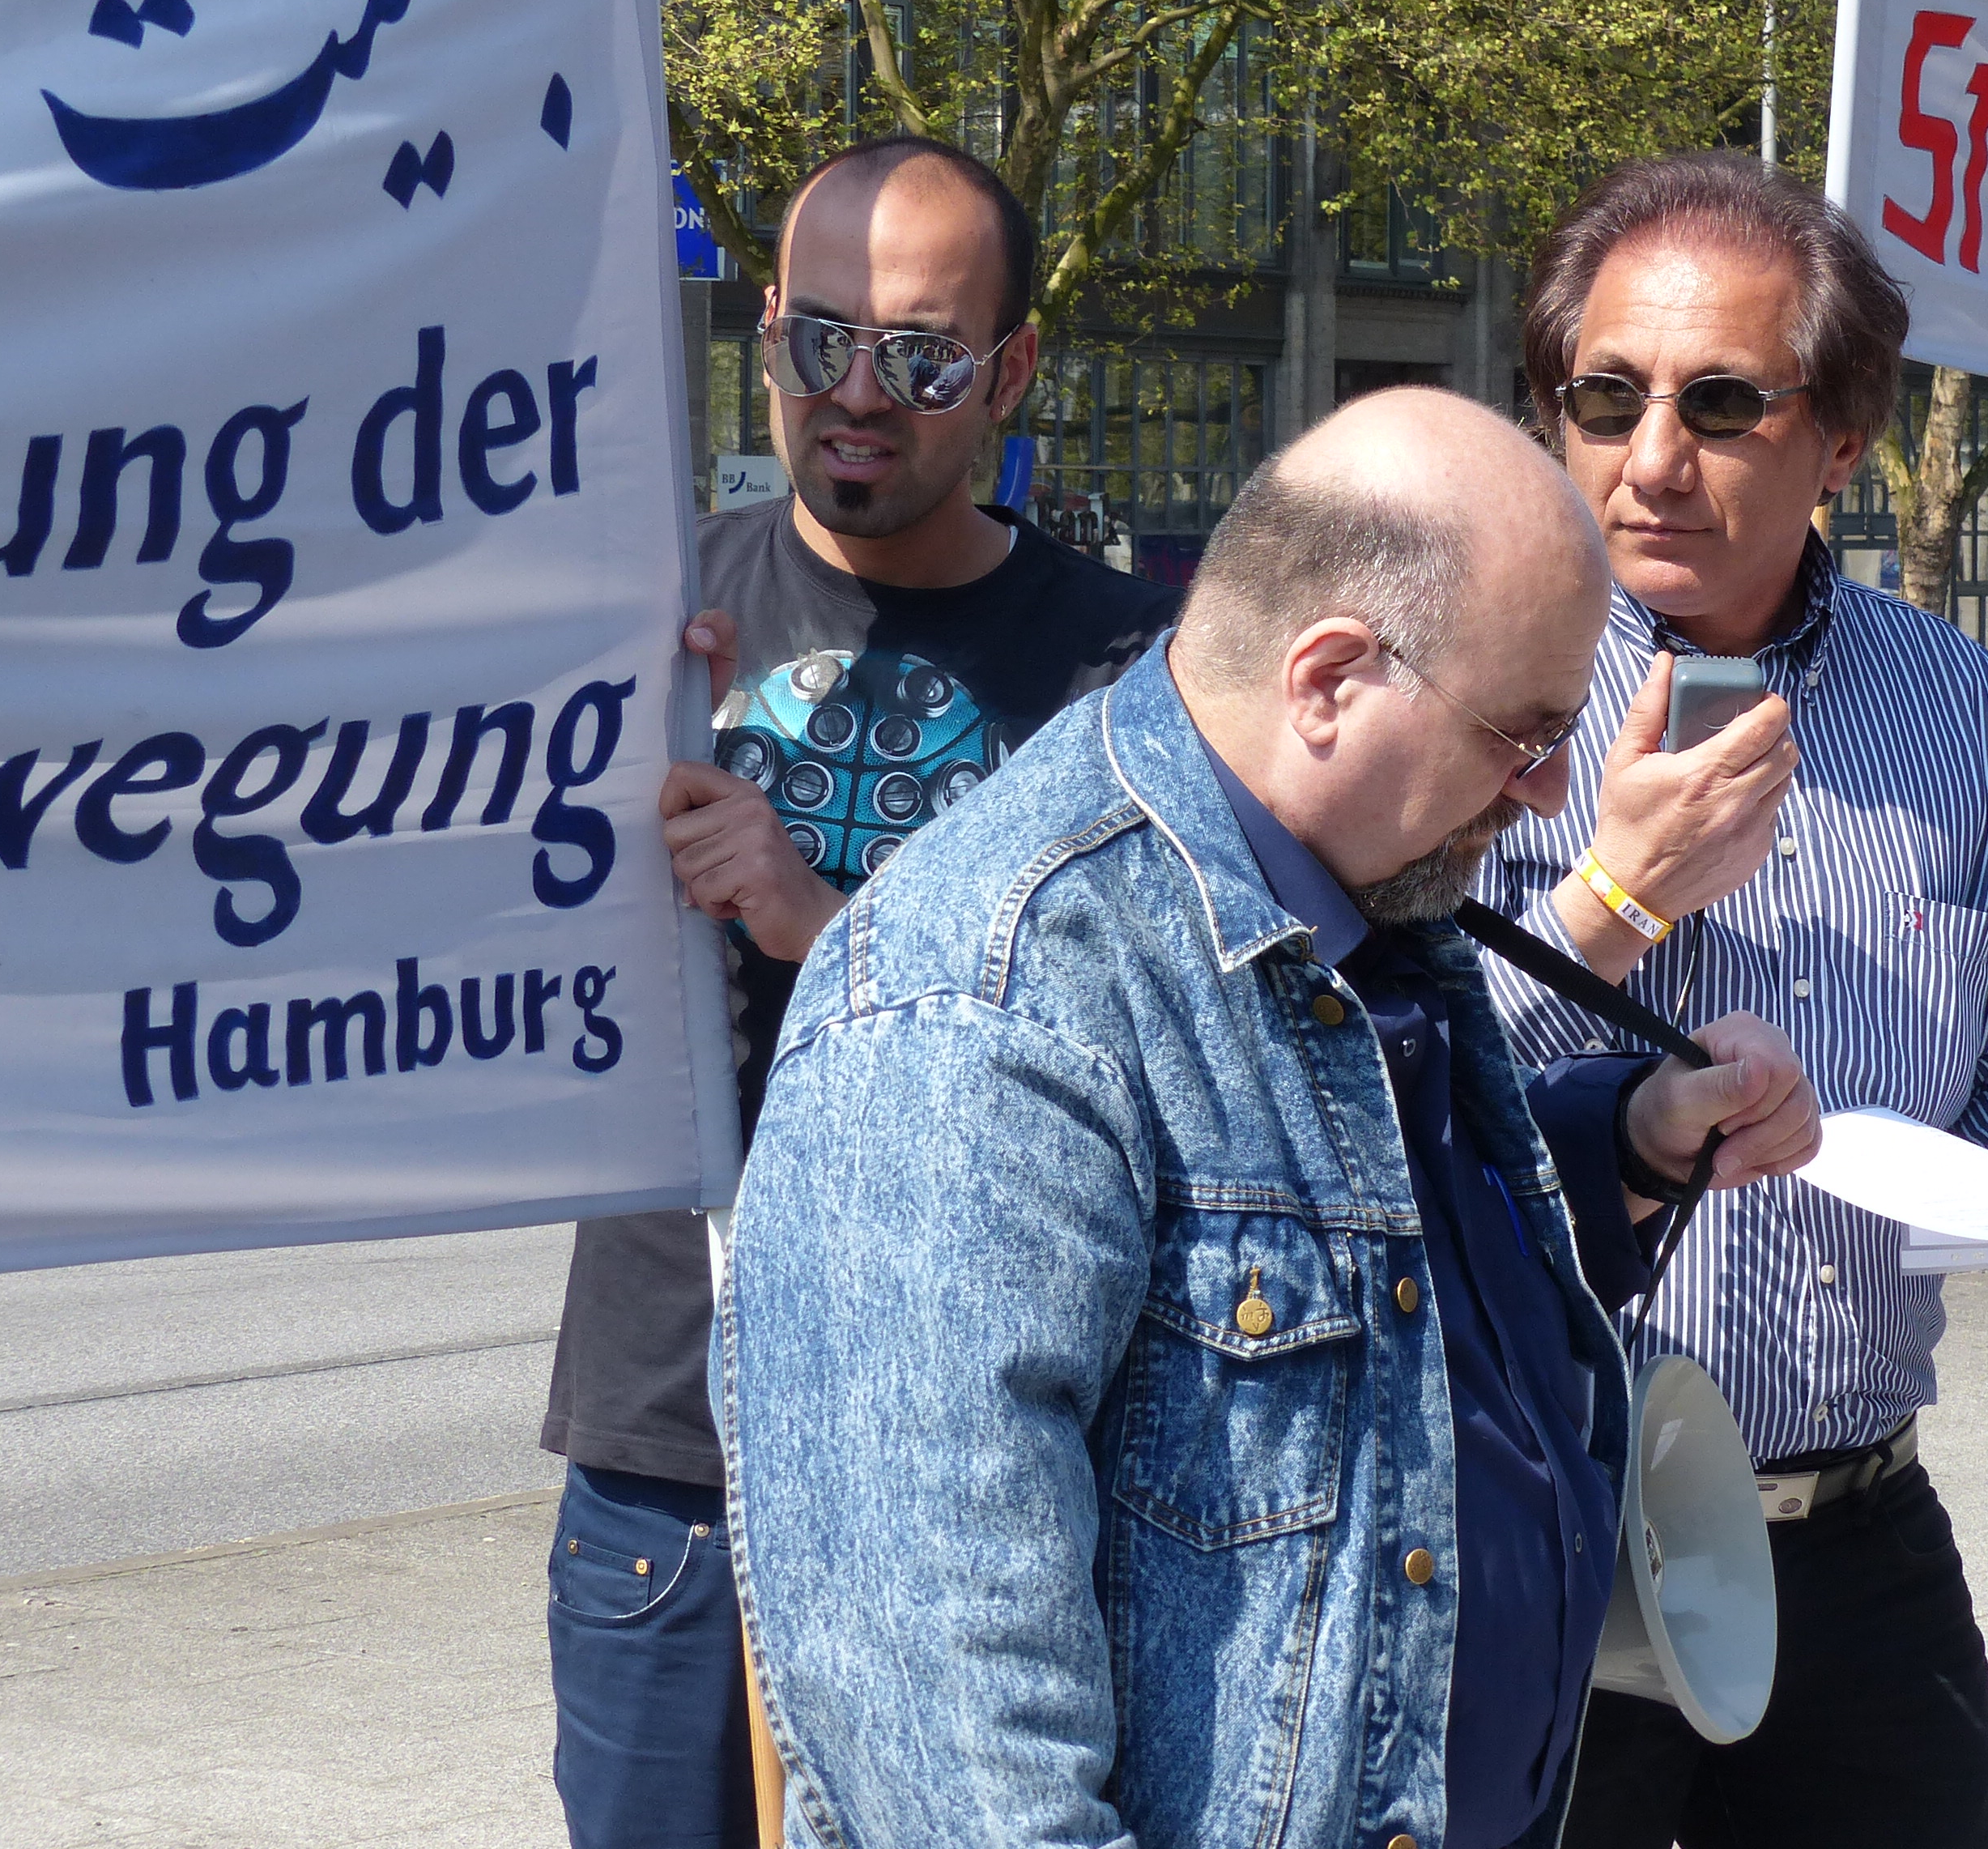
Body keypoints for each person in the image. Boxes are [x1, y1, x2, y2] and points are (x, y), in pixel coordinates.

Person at [722, 388, 1820, 1849]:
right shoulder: (981, 1001)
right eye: (1524, 733)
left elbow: (1356, 1236)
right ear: (1330, 680)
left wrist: (1620, 1137)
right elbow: (948, 1742)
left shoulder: (1359, 879)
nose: (1552, 789)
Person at [1475, 152, 1988, 1849]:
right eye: (1604, 400)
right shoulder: (1452, 682)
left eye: (1721, 404)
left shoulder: (1959, 706)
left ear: (1840, 440)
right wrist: (1611, 900)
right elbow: (1345, 1077)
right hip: (1532, 1529)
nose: (1651, 459)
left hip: (1851, 1539)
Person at [536, 135, 1181, 1849]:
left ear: (1012, 374)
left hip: (979, 1474)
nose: (858, 394)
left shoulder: (1130, 679)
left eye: (921, 357)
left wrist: (818, 921)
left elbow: (1137, 1061)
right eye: (820, 340)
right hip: (672, 1456)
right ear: (766, 334)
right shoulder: (646, 611)